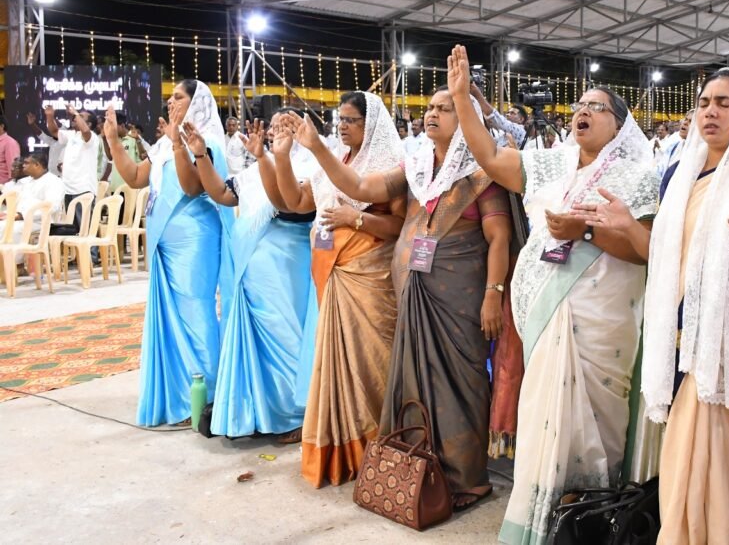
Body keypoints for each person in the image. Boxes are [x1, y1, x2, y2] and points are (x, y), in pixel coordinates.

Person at [445, 46, 659, 544]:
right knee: (546, 422)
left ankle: (589, 524)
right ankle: (542, 525)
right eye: (579, 105)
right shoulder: (553, 164)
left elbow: (644, 250)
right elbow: (491, 157)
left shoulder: (638, 177)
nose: (583, 112)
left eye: (596, 107)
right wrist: (461, 100)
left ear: (620, 125)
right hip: (546, 320)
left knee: (593, 426)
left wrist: (585, 232)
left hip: (602, 324)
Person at [591, 69, 729, 544]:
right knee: (686, 454)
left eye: (724, 103)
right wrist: (627, 225)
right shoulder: (679, 175)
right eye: (704, 102)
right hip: (689, 334)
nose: (710, 112)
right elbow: (666, 260)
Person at [284, 83, 512, 510]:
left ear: (465, 118)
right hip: (412, 290)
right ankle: (421, 465)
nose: (432, 114)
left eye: (445, 109)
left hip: (459, 299)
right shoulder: (416, 168)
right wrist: (317, 148)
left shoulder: (480, 173)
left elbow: (499, 237)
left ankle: (467, 480)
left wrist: (492, 295)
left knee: (459, 384)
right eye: (430, 107)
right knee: (414, 381)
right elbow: (359, 186)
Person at [274, 92, 406, 487]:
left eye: (351, 120)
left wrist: (357, 219)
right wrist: (281, 158)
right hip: (332, 274)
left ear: (372, 124)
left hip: (370, 279)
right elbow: (296, 201)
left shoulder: (391, 166)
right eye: (340, 119)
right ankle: (342, 450)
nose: (342, 126)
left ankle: (379, 448)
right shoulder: (338, 162)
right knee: (338, 364)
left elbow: (400, 226)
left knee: (371, 364)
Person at [180, 111, 318, 441]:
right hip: (251, 270)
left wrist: (267, 159)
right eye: (275, 124)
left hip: (287, 268)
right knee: (258, 345)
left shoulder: (311, 167)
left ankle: (298, 415)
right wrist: (200, 155)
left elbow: (287, 203)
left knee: (287, 336)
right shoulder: (258, 168)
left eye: (287, 124)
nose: (278, 129)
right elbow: (222, 194)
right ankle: (261, 413)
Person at [104, 80, 235, 427]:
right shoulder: (164, 143)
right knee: (173, 318)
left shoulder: (206, 142)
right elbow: (135, 177)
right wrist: (113, 141)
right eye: (170, 97)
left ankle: (207, 395)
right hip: (165, 241)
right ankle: (181, 396)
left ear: (197, 102)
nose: (170, 102)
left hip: (196, 239)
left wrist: (179, 142)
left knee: (196, 311)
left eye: (178, 97)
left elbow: (191, 188)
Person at [0, 153, 63, 262]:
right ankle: (3, 263)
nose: (23, 165)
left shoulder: (54, 182)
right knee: (3, 225)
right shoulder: (27, 182)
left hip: (41, 222)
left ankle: (13, 263)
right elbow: (20, 203)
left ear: (37, 165)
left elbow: (51, 207)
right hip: (23, 219)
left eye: (26, 163)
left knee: (12, 229)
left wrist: (21, 216)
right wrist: (8, 213)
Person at [45, 105, 100, 226]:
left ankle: (91, 241)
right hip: (68, 189)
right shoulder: (71, 135)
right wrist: (50, 116)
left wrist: (75, 113)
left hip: (83, 190)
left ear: (89, 124)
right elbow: (54, 131)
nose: (75, 118)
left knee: (85, 228)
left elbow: (85, 131)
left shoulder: (92, 137)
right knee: (73, 229)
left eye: (81, 117)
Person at [105, 113, 146, 193]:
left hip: (130, 188)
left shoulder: (135, 138)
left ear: (122, 125)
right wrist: (104, 138)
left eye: (113, 126)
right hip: (115, 187)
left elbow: (143, 156)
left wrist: (138, 140)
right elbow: (110, 157)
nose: (111, 129)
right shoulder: (114, 141)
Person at [0, 118, 21, 185]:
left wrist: (10, 187)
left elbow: (13, 167)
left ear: (2, 126)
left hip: (3, 186)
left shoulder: (10, 143)